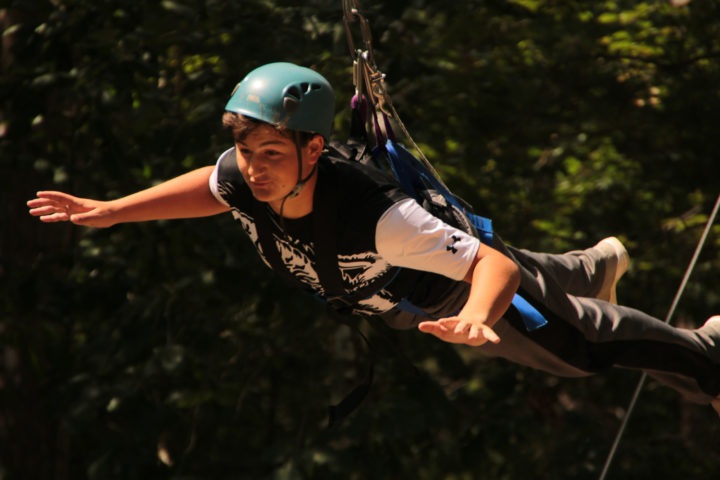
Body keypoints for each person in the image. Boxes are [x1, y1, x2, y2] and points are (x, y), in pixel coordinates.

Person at [27, 62, 720, 417]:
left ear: (314, 149)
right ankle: (582, 270)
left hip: (453, 287)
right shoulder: (242, 177)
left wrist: (477, 319)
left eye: (273, 152)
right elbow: (205, 186)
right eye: (246, 150)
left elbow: (491, 265)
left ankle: (707, 352)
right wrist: (112, 210)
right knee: (542, 292)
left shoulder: (376, 217)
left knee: (580, 351)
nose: (255, 168)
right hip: (409, 290)